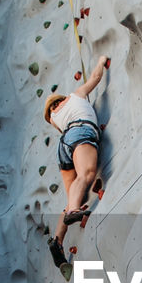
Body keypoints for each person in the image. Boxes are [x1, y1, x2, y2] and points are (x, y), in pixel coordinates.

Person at [43, 54, 107, 271]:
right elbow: (96, 78)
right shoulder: (75, 96)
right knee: (86, 175)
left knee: (73, 196)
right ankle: (72, 213)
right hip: (80, 132)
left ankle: (57, 241)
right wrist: (100, 60)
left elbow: (63, 129)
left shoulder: (54, 118)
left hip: (64, 146)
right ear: (60, 99)